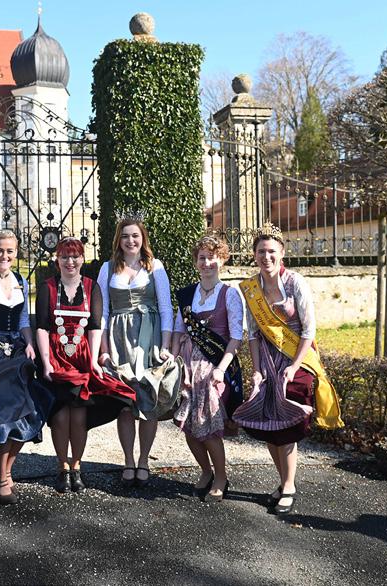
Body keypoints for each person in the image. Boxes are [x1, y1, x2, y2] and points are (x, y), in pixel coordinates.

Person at [233, 222, 341, 514]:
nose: (266, 256)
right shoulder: (251, 289)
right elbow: (253, 334)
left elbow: (309, 330)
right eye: (261, 251)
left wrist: (294, 367)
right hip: (268, 361)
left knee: (288, 423)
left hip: (296, 359)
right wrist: (257, 371)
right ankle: (283, 483)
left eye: (271, 251)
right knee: (269, 424)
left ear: (281, 253)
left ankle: (289, 485)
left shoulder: (295, 283)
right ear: (254, 255)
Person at [36, 237, 136, 494]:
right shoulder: (47, 287)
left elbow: (95, 326)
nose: (70, 262)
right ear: (57, 260)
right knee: (60, 417)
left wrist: (93, 361)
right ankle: (62, 466)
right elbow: (42, 327)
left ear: (82, 259)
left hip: (81, 359)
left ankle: (76, 466)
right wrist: (45, 362)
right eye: (64, 257)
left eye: (75, 257)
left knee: (79, 416)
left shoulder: (92, 287)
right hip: (55, 358)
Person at [0, 230, 54, 504]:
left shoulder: (21, 281)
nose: (5, 256)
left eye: (10, 251)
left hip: (15, 349)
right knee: (7, 414)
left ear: (16, 253)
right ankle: (1, 477)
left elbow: (23, 321)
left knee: (33, 410)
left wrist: (30, 344)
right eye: (0, 250)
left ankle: (3, 472)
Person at [97, 218, 181, 488]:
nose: (130, 241)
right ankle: (128, 460)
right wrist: (103, 350)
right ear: (118, 240)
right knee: (124, 402)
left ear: (143, 238)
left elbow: (166, 307)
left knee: (148, 399)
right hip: (119, 338)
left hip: (150, 338)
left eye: (135, 235)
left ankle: (144, 460)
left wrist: (165, 345)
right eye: (125, 236)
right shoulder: (108, 268)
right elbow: (102, 312)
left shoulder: (155, 266)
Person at [172, 235, 244, 502]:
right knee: (188, 426)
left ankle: (221, 477)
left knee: (208, 425)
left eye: (212, 257)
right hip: (188, 367)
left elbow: (236, 337)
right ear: (196, 262)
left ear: (221, 260)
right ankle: (205, 471)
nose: (206, 263)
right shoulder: (188, 294)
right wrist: (174, 362)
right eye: (202, 258)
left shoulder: (230, 294)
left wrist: (221, 369)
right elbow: (179, 330)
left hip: (215, 367)